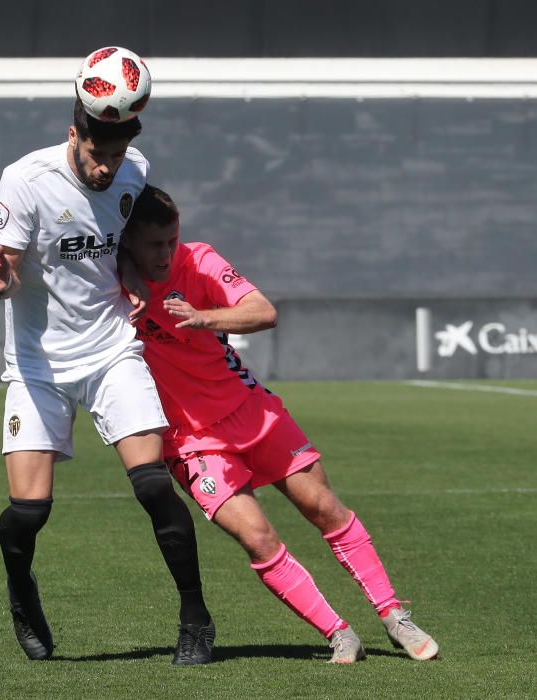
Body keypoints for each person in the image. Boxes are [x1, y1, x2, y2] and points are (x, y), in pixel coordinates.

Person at [119, 184, 439, 664]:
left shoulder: (200, 260)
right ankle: (338, 633)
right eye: (153, 245)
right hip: (190, 442)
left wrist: (204, 317)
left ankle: (394, 616)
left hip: (255, 413)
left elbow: (264, 312)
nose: (166, 253)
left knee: (325, 509)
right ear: (127, 244)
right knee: (257, 538)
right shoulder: (112, 281)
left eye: (171, 239)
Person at [0, 94, 214, 665]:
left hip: (111, 350)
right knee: (30, 512)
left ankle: (196, 618)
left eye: (117, 152)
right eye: (97, 153)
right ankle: (21, 589)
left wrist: (133, 277)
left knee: (154, 484)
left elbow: (123, 244)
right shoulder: (26, 179)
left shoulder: (136, 172)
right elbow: (4, 262)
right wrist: (3, 278)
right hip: (38, 365)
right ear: (73, 136)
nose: (107, 166)